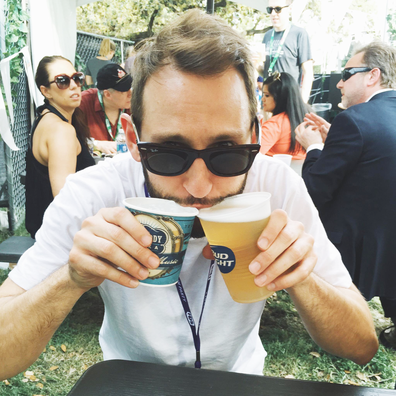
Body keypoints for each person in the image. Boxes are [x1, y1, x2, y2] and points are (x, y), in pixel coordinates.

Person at [0, 10, 378, 381]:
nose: (199, 188)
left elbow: (361, 346)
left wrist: (302, 278)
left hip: (239, 381)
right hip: (131, 381)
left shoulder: (277, 188)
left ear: (255, 137)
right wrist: (70, 278)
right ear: (133, 139)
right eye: (168, 154)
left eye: (227, 153)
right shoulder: (95, 192)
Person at [295, 42, 396, 350]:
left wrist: (313, 146)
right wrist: (334, 139)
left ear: (372, 76)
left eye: (347, 73)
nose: (339, 82)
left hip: (352, 244)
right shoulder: (359, 123)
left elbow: (314, 191)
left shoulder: (353, 121)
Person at [25, 56, 95, 239]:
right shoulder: (61, 131)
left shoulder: (47, 117)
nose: (74, 85)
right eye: (62, 81)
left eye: (77, 78)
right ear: (45, 91)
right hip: (59, 239)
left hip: (47, 231)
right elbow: (65, 201)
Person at [263, 0, 313, 103]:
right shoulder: (267, 36)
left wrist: (302, 103)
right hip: (269, 101)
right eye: (270, 9)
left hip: (289, 100)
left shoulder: (299, 34)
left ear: (289, 8)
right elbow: (265, 71)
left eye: (278, 9)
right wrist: (255, 65)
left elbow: (308, 72)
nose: (273, 14)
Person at [79, 63, 132, 155]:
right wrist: (96, 144)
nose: (130, 93)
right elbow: (67, 139)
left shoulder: (133, 105)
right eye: (125, 90)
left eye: (130, 87)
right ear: (107, 94)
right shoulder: (83, 103)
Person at [260, 71, 309, 160]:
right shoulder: (307, 115)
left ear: (281, 97)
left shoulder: (274, 124)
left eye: (267, 95)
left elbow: (253, 158)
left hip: (277, 171)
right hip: (303, 170)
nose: (263, 99)